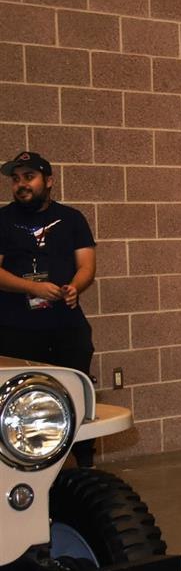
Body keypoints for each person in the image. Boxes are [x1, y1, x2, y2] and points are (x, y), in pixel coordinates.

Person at [0, 151, 97, 466]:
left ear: (49, 181)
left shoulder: (72, 219)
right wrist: (32, 287)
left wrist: (74, 287)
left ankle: (84, 464)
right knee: (26, 401)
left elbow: (86, 265)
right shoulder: (2, 220)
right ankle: (30, 466)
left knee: (76, 392)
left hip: (66, 326)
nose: (21, 185)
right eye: (16, 179)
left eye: (29, 177)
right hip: (17, 330)